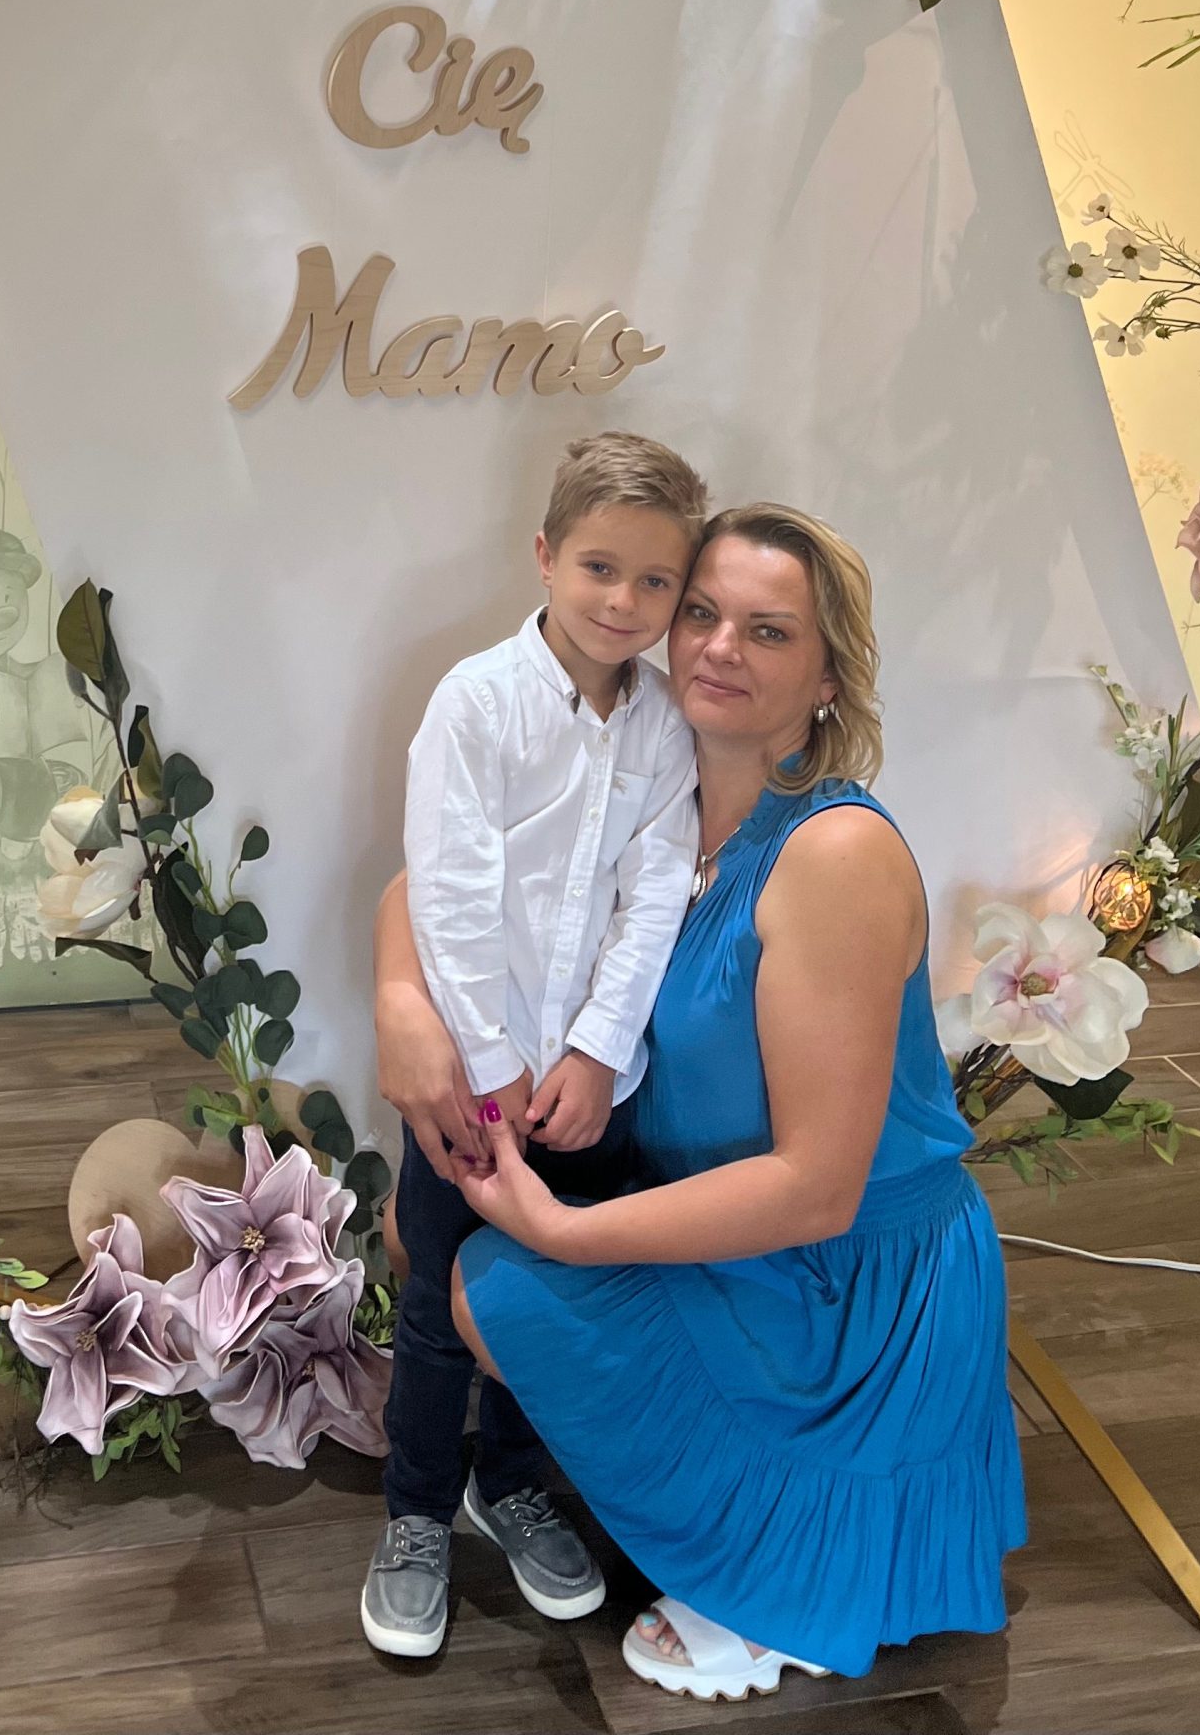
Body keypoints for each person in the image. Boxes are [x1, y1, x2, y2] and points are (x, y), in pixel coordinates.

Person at [375, 503, 1025, 1701]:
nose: (719, 646)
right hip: (725, 1224)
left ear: (826, 678)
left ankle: (784, 1547)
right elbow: (440, 875)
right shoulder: (645, 763)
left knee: (495, 1277)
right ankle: (613, 1481)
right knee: (437, 1250)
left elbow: (816, 1189)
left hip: (840, 1280)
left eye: (767, 631)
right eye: (703, 613)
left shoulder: (829, 854)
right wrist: (398, 1002)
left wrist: (562, 1228)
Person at [362, 433, 709, 1659]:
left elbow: (654, 892)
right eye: (600, 568)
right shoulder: (476, 701)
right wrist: (492, 1060)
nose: (622, 601)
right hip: (472, 1083)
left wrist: (598, 1052)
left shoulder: (665, 728)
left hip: (586, 1092)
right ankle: (413, 1510)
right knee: (434, 1305)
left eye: (654, 581)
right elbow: (449, 894)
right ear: (546, 555)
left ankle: (503, 1484)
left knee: (546, 1298)